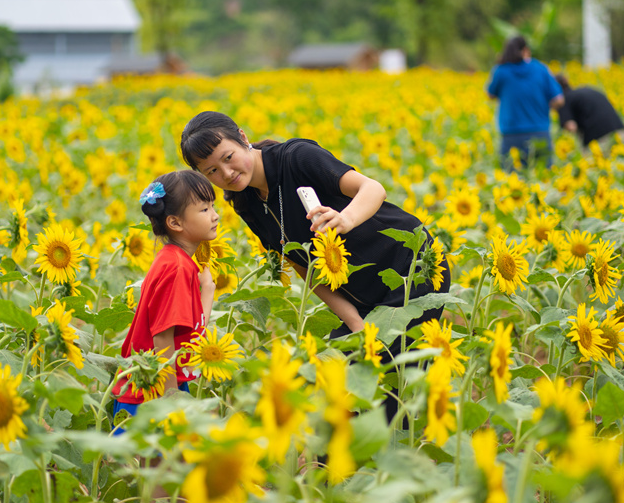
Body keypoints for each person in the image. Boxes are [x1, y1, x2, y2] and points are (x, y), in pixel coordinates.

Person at [180, 111, 451, 424]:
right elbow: (301, 265)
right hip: (361, 295)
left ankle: (398, 457)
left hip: (409, 267)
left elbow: (372, 188)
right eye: (211, 170)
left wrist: (345, 219)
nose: (226, 173)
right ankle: (335, 468)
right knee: (336, 381)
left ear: (242, 138)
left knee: (392, 383)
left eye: (228, 157)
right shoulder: (244, 201)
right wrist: (354, 322)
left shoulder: (297, 158)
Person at [111, 171, 219, 431]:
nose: (215, 215)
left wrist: (208, 291)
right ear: (175, 222)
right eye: (204, 209)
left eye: (213, 206)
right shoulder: (176, 268)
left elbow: (193, 333)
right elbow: (162, 340)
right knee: (151, 467)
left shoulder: (176, 260)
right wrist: (172, 406)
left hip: (160, 382)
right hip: (150, 394)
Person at [486, 36, 564, 171]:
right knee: (544, 180)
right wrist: (542, 109)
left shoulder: (501, 71)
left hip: (511, 135)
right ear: (526, 50)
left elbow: (490, 94)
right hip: (540, 132)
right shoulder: (540, 69)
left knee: (512, 183)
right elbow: (558, 99)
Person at [554, 73, 624, 152]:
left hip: (600, 142)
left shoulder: (563, 100)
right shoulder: (584, 90)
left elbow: (571, 127)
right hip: (620, 133)